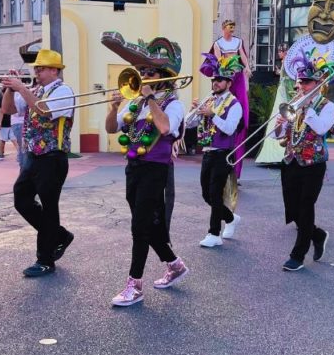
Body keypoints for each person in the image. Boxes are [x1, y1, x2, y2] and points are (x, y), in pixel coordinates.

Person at [102, 34, 188, 306]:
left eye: (149, 72)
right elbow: (111, 129)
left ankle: (134, 286)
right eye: (141, 71)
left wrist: (150, 98)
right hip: (133, 168)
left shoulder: (173, 104)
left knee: (140, 226)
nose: (143, 76)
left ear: (163, 76)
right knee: (150, 224)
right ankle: (175, 265)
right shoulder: (133, 103)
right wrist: (114, 105)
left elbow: (164, 128)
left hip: (156, 169)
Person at [0, 50, 76, 278]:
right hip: (33, 156)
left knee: (49, 206)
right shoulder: (38, 90)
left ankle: (45, 260)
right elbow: (10, 110)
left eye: (41, 69)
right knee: (21, 199)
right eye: (36, 69)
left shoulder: (63, 91)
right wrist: (8, 89)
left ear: (54, 70)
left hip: (53, 157)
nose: (37, 73)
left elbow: (43, 110)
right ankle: (60, 235)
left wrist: (21, 88)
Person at [273, 57, 334, 271]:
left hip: (313, 163)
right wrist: (279, 125)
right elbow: (280, 137)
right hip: (291, 160)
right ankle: (317, 235)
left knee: (306, 206)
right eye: (299, 82)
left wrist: (307, 107)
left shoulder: (327, 106)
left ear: (318, 84)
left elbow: (320, 128)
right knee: (293, 209)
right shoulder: (294, 104)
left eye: (306, 82)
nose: (300, 86)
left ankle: (298, 255)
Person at [188, 54, 243, 248]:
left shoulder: (235, 105)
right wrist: (195, 110)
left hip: (224, 153)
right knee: (206, 194)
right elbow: (190, 124)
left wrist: (213, 115)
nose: (215, 83)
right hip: (208, 152)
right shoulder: (210, 100)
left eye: (219, 80)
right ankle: (230, 218)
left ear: (228, 82)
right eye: (213, 80)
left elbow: (229, 129)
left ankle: (214, 233)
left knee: (215, 192)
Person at [210, 19, 251, 179]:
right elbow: (220, 60)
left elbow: (243, 57)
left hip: (238, 76)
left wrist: (246, 67)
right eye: (229, 28)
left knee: (239, 105)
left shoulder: (238, 41)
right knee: (222, 103)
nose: (231, 31)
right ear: (223, 29)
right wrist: (225, 71)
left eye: (233, 28)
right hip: (227, 75)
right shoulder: (218, 43)